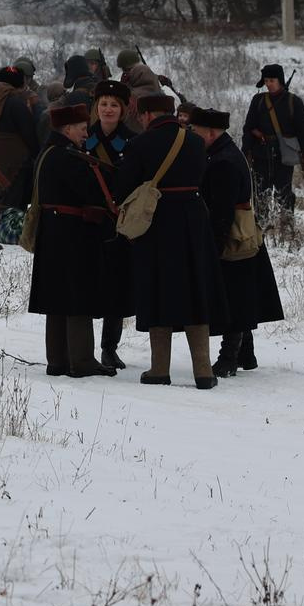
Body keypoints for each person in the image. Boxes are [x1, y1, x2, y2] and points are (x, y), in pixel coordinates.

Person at [119, 90, 220, 388]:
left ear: (148, 115)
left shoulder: (139, 144)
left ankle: (159, 369)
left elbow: (124, 187)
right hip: (193, 221)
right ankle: (203, 371)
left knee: (157, 290)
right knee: (195, 291)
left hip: (157, 223)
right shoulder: (195, 142)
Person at [192, 105, 284, 375]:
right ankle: (246, 354)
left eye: (196, 131)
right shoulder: (226, 152)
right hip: (241, 236)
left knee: (233, 298)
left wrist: (214, 246)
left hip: (233, 239)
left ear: (211, 133)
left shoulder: (223, 162)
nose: (193, 136)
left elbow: (222, 210)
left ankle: (228, 358)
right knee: (241, 296)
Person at [26, 103, 116, 376]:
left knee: (56, 296)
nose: (85, 133)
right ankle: (82, 360)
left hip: (52, 232)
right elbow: (92, 192)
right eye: (81, 128)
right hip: (73, 233)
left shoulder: (47, 153)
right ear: (67, 129)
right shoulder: (68, 158)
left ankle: (57, 360)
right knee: (77, 295)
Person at [83, 81, 139, 369]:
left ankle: (109, 347)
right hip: (88, 222)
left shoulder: (132, 141)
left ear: (123, 110)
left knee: (115, 288)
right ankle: (82, 348)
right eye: (103, 104)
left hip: (117, 223)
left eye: (114, 105)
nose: (108, 109)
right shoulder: (84, 137)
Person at [243, 64, 304, 224]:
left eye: (272, 80)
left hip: (284, 155)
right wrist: (246, 151)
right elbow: (248, 127)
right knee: (260, 193)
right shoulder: (258, 101)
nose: (268, 84)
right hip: (261, 154)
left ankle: (287, 224)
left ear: (280, 81)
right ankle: (261, 226)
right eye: (266, 80)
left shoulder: (293, 101)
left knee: (284, 193)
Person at [0, 66, 40, 245]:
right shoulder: (15, 101)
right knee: (14, 194)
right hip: (17, 155)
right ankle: (8, 232)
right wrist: (37, 153)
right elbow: (28, 130)